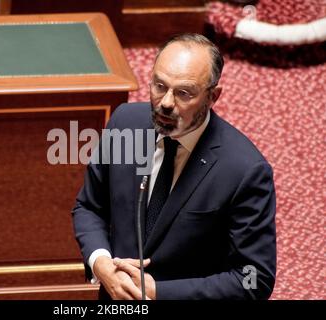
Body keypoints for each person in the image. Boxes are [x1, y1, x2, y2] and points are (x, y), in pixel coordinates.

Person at [72, 33, 276, 300]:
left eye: (183, 93)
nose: (166, 102)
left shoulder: (244, 171)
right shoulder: (125, 124)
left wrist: (161, 293)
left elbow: (254, 277)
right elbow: (89, 207)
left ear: (212, 96)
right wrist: (101, 262)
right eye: (159, 86)